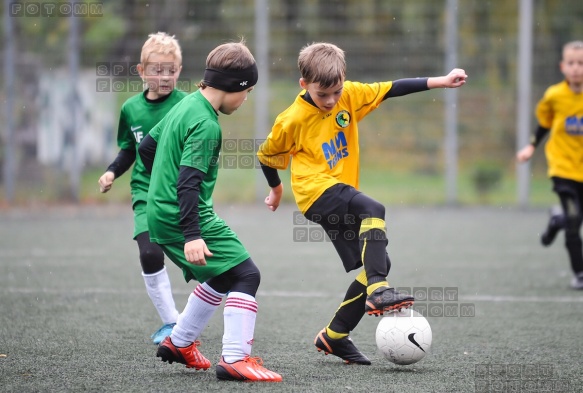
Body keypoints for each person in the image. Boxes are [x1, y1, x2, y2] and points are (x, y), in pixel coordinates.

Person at [257, 42, 467, 365]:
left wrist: (442, 80)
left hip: (337, 194)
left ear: (344, 80)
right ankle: (379, 291)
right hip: (315, 193)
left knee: (377, 263)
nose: (330, 101)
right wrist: (275, 190)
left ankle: (334, 335)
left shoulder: (350, 95)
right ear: (304, 85)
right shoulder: (292, 119)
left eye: (335, 92)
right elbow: (267, 156)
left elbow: (392, 88)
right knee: (374, 209)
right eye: (321, 94)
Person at [138, 39, 282, 382]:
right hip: (184, 216)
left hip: (160, 212)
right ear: (235, 87)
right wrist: (192, 234)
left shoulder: (186, 103)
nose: (246, 100)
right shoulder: (207, 125)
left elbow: (147, 148)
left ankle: (179, 342)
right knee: (247, 275)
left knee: (222, 274)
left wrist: (160, 188)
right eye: (247, 92)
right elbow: (187, 184)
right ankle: (235, 359)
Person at [98, 32, 186, 344]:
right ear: (141, 71)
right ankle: (172, 323)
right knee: (149, 253)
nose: (164, 77)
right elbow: (129, 150)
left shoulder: (188, 105)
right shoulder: (131, 110)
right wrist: (111, 172)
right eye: (157, 70)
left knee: (200, 259)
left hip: (180, 193)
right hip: (145, 192)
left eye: (170, 70)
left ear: (179, 69)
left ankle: (206, 312)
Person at [516, 40, 583, 290]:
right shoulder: (555, 96)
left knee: (573, 217)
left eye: (581, 63)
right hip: (563, 169)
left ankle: (557, 219)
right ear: (563, 66)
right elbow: (544, 123)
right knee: (575, 221)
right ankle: (579, 273)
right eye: (572, 63)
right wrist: (531, 146)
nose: (577, 68)